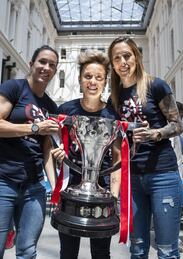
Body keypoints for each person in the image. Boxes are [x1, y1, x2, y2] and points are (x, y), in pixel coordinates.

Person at [0, 45, 60, 258]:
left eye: (52, 64)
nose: (46, 67)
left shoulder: (51, 106)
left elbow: (46, 151)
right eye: (42, 61)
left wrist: (55, 187)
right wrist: (34, 127)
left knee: (27, 251)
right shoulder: (13, 88)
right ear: (31, 64)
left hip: (34, 187)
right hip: (0, 182)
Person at [108, 36, 183, 259]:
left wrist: (155, 133)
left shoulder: (156, 85)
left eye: (127, 56)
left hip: (163, 175)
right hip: (132, 179)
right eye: (116, 58)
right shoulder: (114, 96)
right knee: (137, 248)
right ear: (112, 64)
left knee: (167, 250)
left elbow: (177, 125)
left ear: (137, 57)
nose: (123, 61)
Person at [55, 50, 121, 259]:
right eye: (88, 76)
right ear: (80, 79)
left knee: (101, 253)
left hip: (102, 194)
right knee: (68, 252)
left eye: (98, 77)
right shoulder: (66, 110)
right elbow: (54, 146)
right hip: (71, 190)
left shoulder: (112, 115)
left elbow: (118, 158)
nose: (93, 82)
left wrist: (114, 198)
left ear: (105, 82)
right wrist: (58, 159)